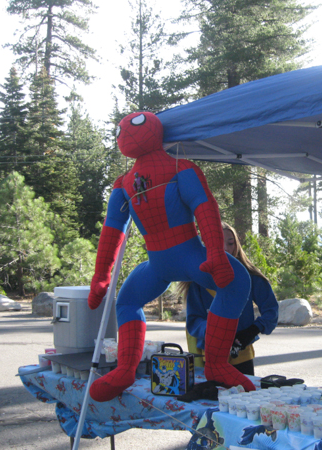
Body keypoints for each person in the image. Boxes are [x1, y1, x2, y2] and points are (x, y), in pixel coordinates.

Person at [87, 112, 254, 402]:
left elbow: (204, 207)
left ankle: (212, 364)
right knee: (235, 282)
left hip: (173, 259)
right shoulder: (139, 179)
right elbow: (112, 230)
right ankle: (128, 369)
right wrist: (100, 275)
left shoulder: (146, 178)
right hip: (177, 259)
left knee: (235, 281)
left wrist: (215, 251)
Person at [183, 222, 278, 376]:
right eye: (219, 243)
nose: (226, 249)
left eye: (230, 243)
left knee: (244, 391)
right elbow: (193, 320)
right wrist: (214, 331)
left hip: (242, 357)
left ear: (237, 246)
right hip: (210, 356)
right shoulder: (198, 282)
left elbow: (271, 311)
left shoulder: (250, 277)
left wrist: (252, 331)